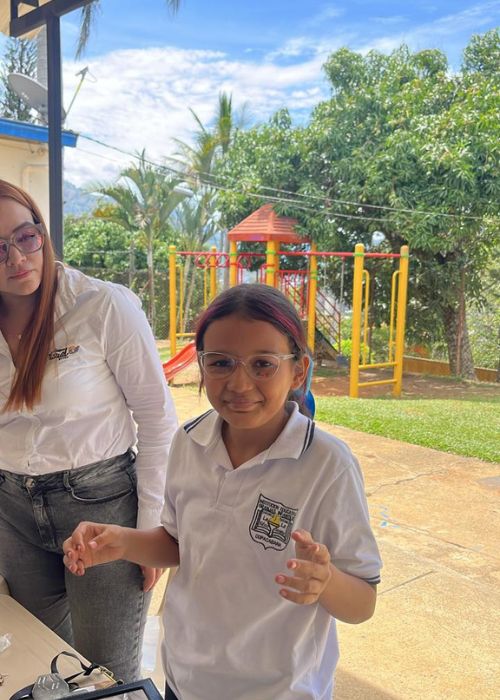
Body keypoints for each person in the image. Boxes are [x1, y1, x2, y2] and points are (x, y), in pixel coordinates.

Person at [63, 283, 382, 700]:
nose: (240, 383)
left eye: (263, 364)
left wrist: (326, 583)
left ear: (299, 371)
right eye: (221, 363)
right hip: (187, 677)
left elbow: (364, 601)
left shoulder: (327, 465)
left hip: (280, 690)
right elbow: (181, 544)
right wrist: (122, 542)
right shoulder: (189, 443)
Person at [0, 179, 178, 682]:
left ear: (41, 231)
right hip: (12, 510)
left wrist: (149, 532)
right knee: (39, 669)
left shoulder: (101, 306)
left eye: (26, 236)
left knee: (108, 678)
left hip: (102, 509)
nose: (17, 258)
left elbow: (158, 419)